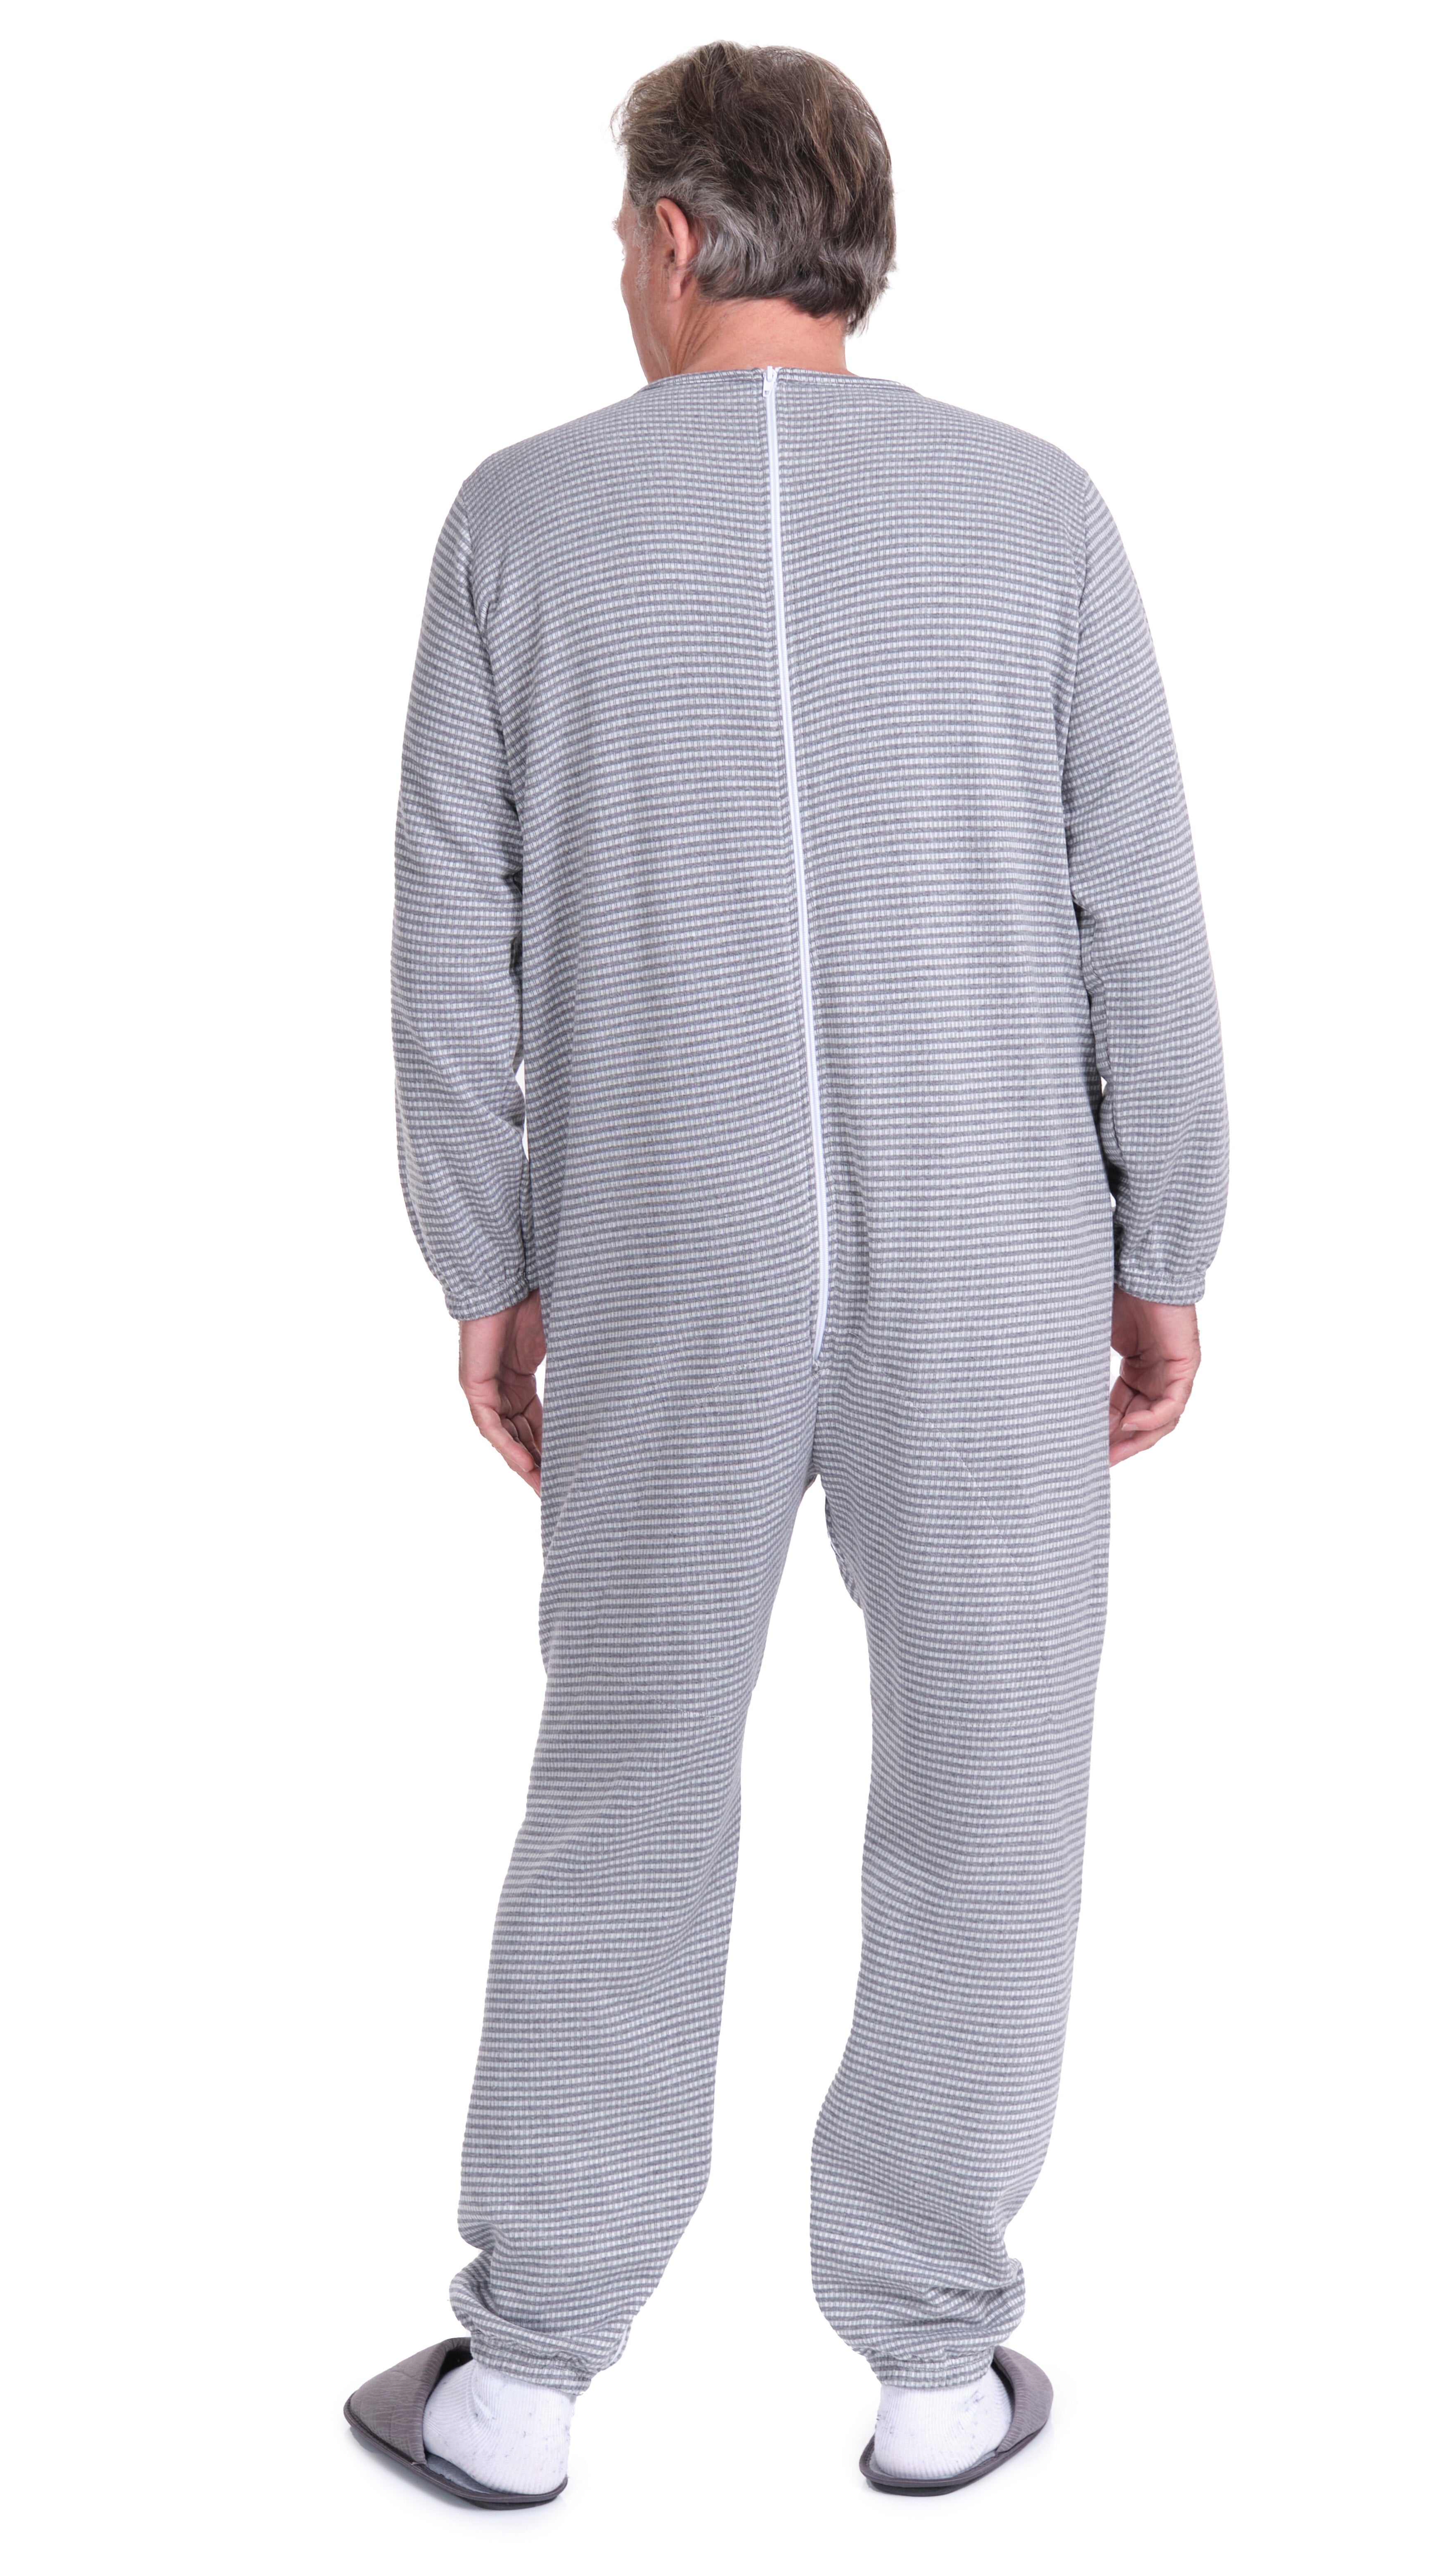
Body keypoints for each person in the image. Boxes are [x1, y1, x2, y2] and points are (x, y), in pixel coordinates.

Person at [343, 39, 1227, 2509]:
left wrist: (485, 1255)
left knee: (629, 1775)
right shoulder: (1036, 510)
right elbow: (1138, 911)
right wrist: (1164, 1236)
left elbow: (452, 941)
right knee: (989, 1777)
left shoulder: (519, 520)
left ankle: (524, 2382)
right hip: (997, 1238)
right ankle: (935, 2371)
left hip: (664, 1239)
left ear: (666, 234)